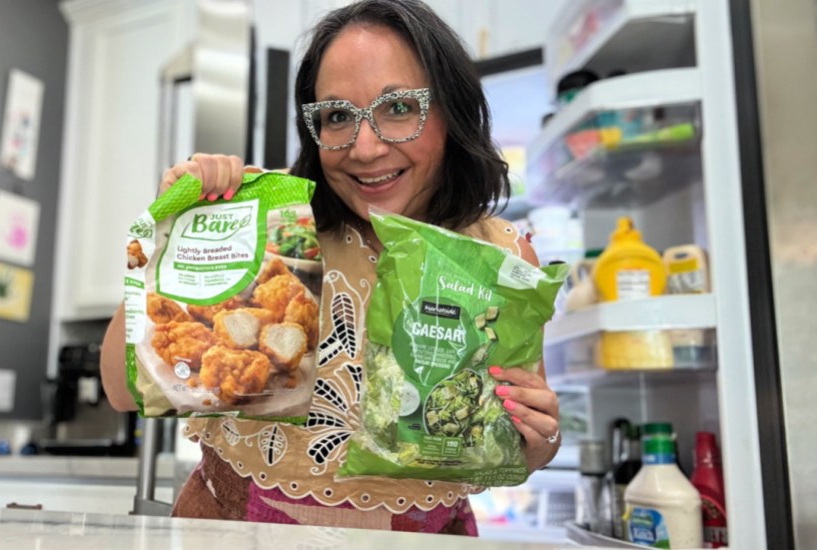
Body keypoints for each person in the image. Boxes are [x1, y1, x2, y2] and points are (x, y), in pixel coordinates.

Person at [100, 0, 561, 535]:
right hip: (233, 532)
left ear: (450, 109)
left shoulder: (504, 260)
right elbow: (120, 386)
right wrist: (177, 236)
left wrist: (540, 437)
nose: (365, 148)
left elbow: (523, 444)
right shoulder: (274, 230)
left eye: (398, 107)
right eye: (337, 116)